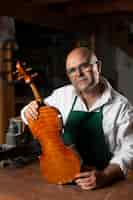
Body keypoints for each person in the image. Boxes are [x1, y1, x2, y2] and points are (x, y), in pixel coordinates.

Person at [21, 47, 133, 190]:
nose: (78, 74)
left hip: (103, 183)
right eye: (72, 70)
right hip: (62, 176)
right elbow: (31, 117)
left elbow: (129, 150)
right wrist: (29, 110)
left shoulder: (121, 106)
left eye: (84, 66)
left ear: (98, 67)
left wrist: (105, 176)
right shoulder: (62, 95)